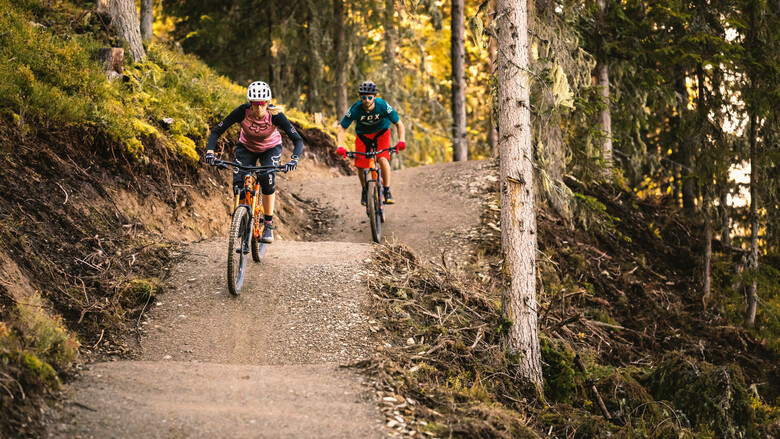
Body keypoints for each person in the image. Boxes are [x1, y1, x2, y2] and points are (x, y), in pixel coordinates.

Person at [204, 81, 303, 244]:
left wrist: (294, 159)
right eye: (255, 104)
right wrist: (210, 153)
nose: (259, 108)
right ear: (250, 103)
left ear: (268, 103)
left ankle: (269, 224)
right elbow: (217, 130)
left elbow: (298, 140)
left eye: (262, 103)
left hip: (270, 148)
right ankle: (241, 220)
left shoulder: (276, 115)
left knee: (266, 177)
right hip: (246, 147)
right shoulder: (242, 112)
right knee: (239, 185)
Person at [336, 81, 405, 206]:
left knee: (383, 159)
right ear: (360, 97)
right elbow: (342, 128)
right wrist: (340, 146)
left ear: (374, 97)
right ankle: (364, 190)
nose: (366, 100)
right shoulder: (355, 109)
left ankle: (387, 190)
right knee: (361, 165)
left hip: (381, 132)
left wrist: (401, 141)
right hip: (363, 135)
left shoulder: (383, 105)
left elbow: (399, 123)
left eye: (369, 97)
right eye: (363, 97)